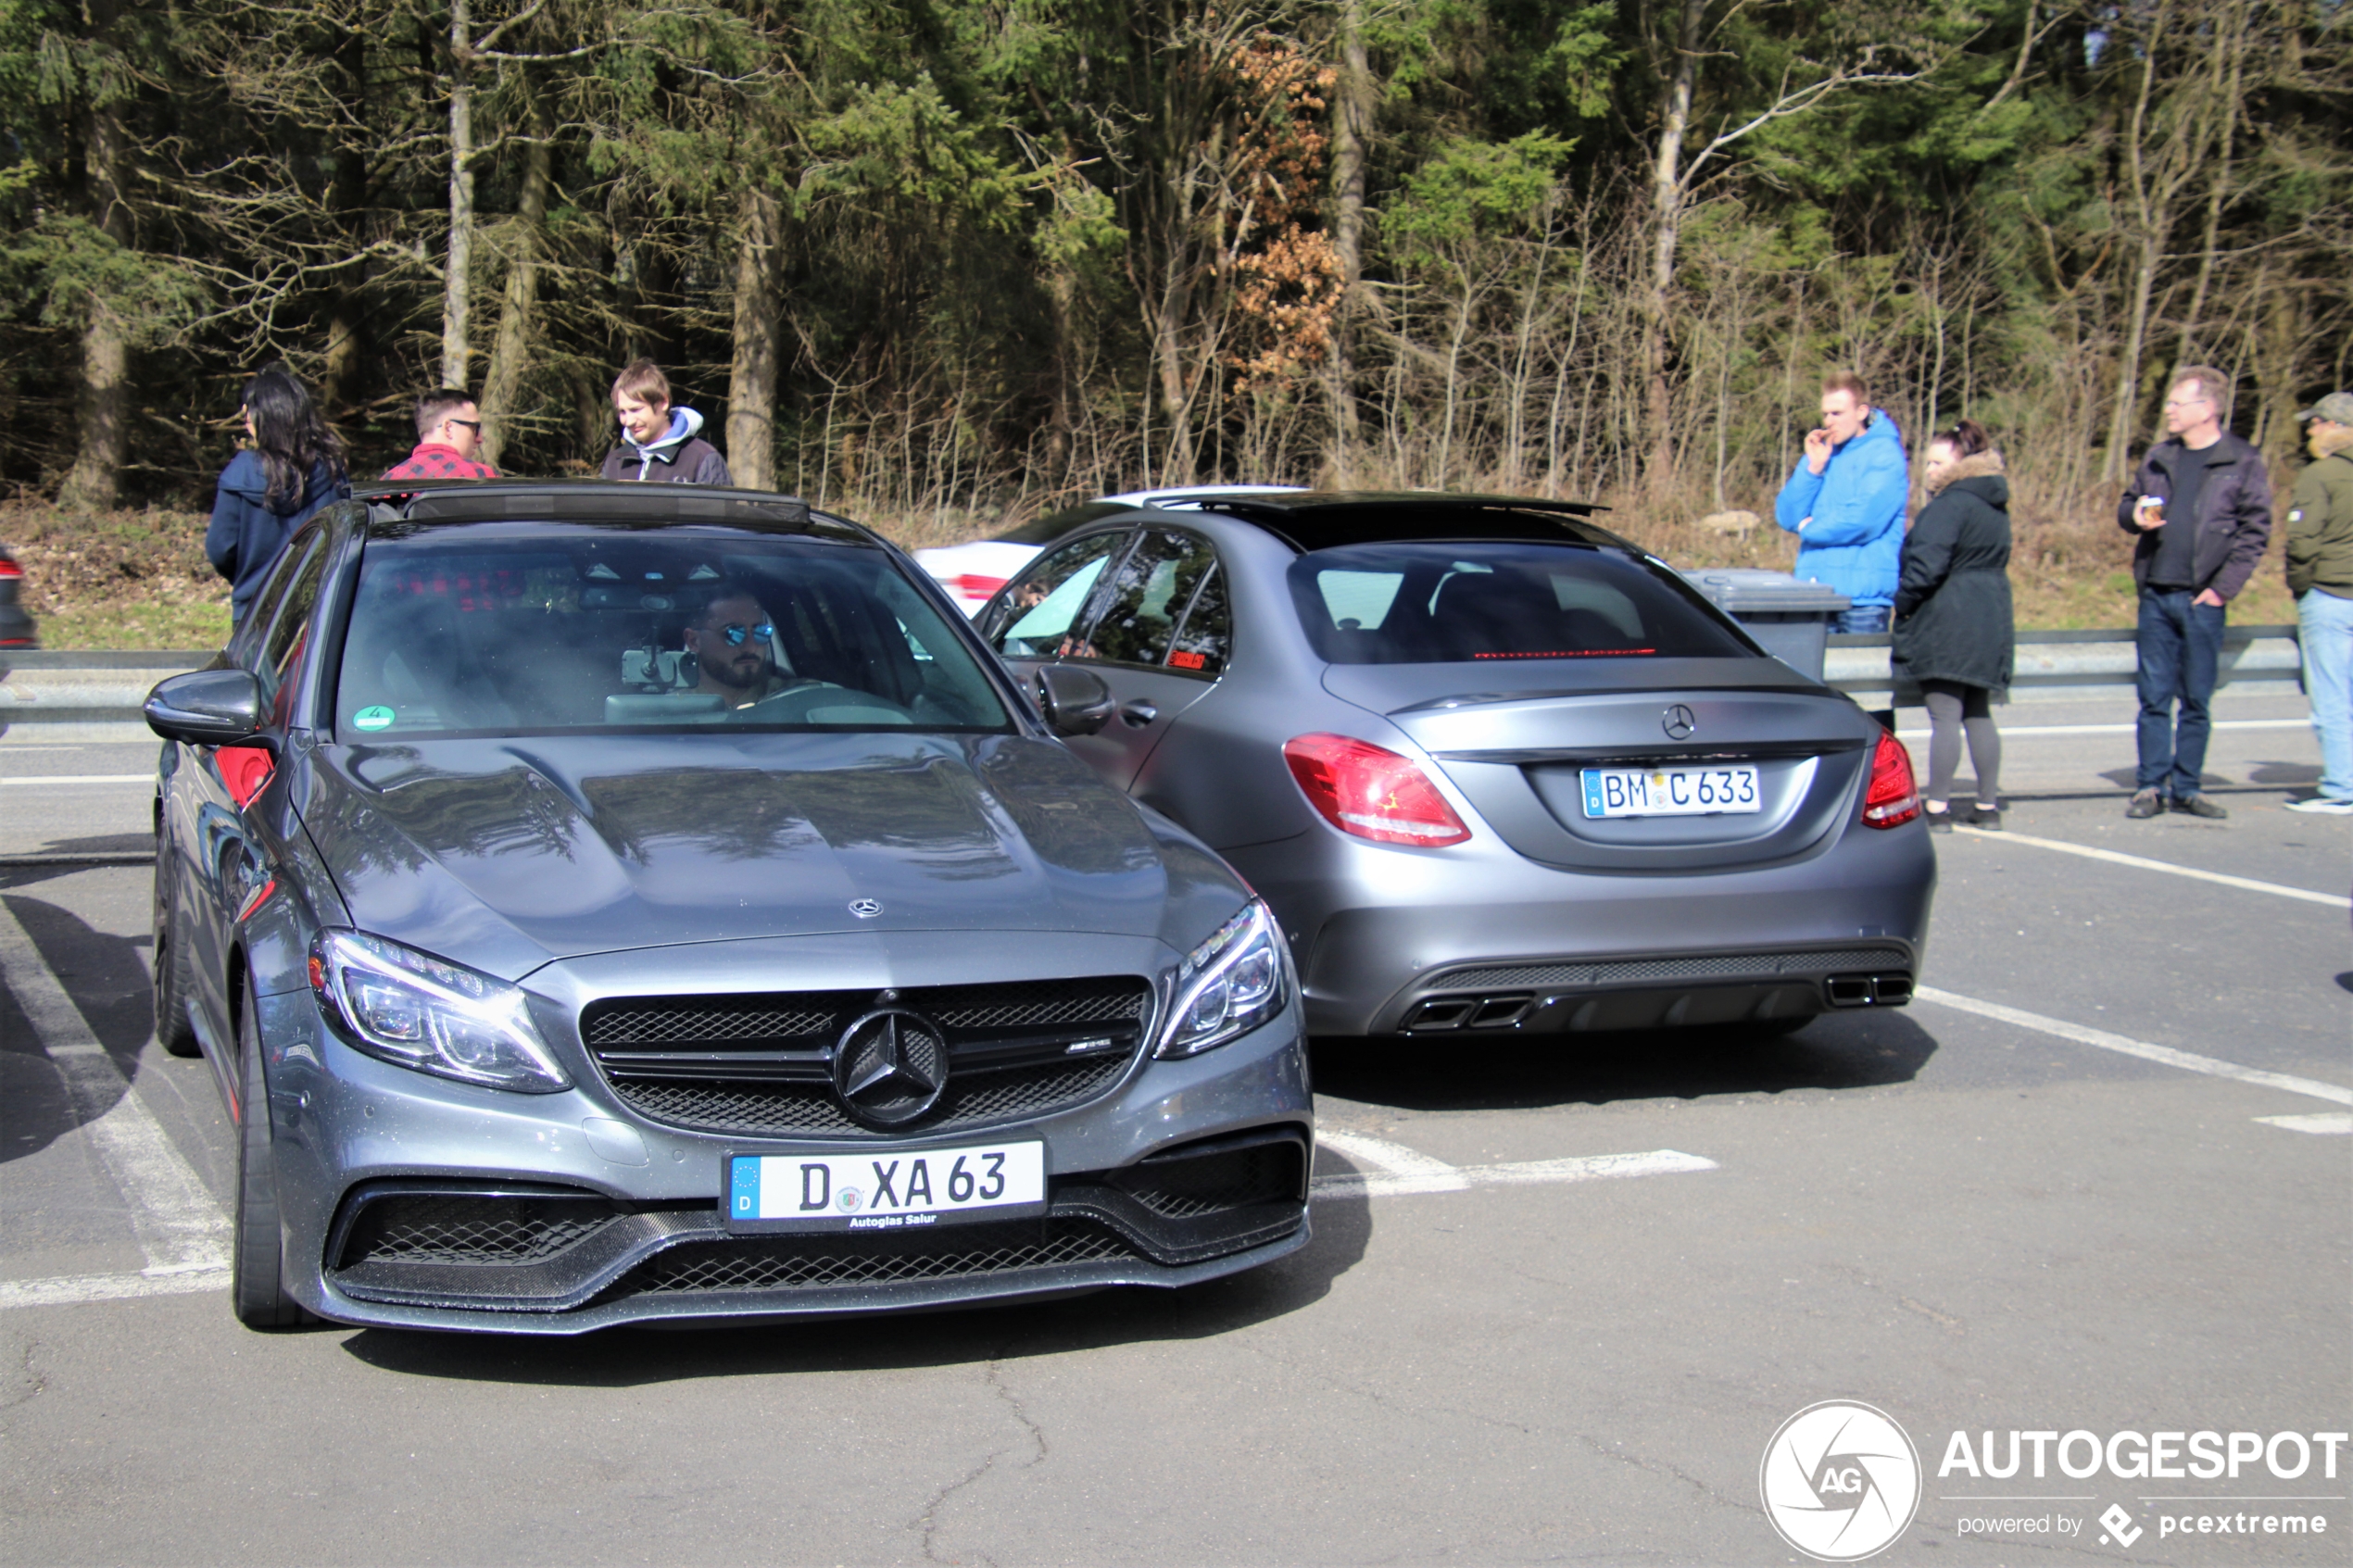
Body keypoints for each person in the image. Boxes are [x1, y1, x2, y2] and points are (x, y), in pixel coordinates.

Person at [2117, 366, 2273, 821]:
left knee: (2197, 698)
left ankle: (2187, 785)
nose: (2168, 410)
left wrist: (2223, 590)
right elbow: (2128, 505)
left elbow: (2254, 532)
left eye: (2176, 403)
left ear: (2206, 409)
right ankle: (2150, 786)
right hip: (2156, 595)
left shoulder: (2241, 461)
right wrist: (2134, 516)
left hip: (2202, 600)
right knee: (2154, 697)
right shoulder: (2159, 457)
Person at [1893, 420, 2013, 832]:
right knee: (1978, 713)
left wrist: (1904, 603)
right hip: (1990, 616)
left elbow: (1926, 567)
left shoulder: (1948, 506)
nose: (1929, 471)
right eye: (1927, 462)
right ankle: (1987, 805)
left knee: (1945, 716)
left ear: (1961, 464)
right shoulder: (1995, 505)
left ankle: (1939, 808)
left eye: (1938, 462)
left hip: (1948, 616)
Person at [206, 365, 350, 625]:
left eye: (248, 410)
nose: (244, 417)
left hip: (255, 609)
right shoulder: (331, 470)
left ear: (259, 417)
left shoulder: (239, 475)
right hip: (320, 606)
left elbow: (220, 549)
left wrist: (249, 575)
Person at [1774, 371, 1909, 633]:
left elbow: (1863, 520)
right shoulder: (1822, 453)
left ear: (1861, 412)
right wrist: (1812, 468)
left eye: (1837, 413)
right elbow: (1786, 515)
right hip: (1815, 594)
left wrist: (1809, 529)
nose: (1829, 421)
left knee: (1858, 674)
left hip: (1861, 601)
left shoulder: (1885, 454)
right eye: (1825, 414)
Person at [2284, 391, 2353, 815]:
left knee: (2331, 696)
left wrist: (2301, 585)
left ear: (2336, 427)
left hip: (2330, 594)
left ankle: (2341, 786)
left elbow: (2302, 542)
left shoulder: (2321, 475)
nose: (2309, 430)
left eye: (2315, 422)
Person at [601, 359, 732, 484]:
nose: (628, 421)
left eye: (636, 410)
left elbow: (720, 508)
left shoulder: (702, 459)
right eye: (623, 412)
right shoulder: (615, 462)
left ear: (663, 402)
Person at [685, 591, 798, 709]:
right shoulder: (672, 710)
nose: (751, 647)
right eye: (733, 633)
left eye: (761, 632)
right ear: (694, 641)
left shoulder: (800, 700)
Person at [382, 389, 499, 482]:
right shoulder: (482, 477)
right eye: (474, 428)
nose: (480, 438)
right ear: (448, 428)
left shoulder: (387, 482)